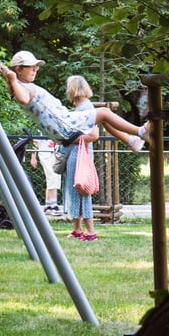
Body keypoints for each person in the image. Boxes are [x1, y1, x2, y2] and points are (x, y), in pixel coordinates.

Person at [0, 50, 149, 151]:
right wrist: (11, 78)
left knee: (101, 119)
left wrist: (10, 77)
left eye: (36, 67)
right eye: (31, 67)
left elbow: (18, 91)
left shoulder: (20, 85)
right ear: (19, 70)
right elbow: (24, 99)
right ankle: (140, 131)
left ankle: (131, 141)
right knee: (104, 112)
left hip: (60, 130)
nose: (35, 70)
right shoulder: (22, 87)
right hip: (64, 124)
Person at [61, 76, 100, 241]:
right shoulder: (80, 107)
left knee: (82, 189)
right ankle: (77, 229)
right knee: (74, 189)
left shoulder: (86, 108)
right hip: (76, 153)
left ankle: (90, 232)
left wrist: (66, 139)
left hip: (80, 154)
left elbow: (93, 135)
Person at [30, 138, 62, 216]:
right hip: (45, 154)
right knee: (52, 176)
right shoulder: (41, 128)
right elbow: (35, 143)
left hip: (55, 154)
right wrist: (33, 157)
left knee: (54, 178)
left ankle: (48, 205)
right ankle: (53, 206)